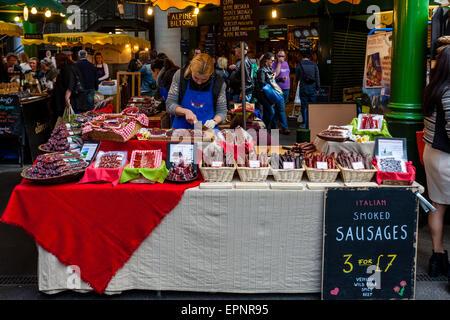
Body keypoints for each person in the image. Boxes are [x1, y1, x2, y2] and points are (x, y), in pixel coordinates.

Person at [422, 45, 450, 288]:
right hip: (446, 158)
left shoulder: (432, 89)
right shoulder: (449, 91)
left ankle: (437, 256)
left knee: (437, 206)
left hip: (431, 154)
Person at [166, 53, 227, 130]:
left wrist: (214, 121)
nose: (199, 82)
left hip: (206, 130)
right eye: (196, 78)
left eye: (204, 79)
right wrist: (185, 112)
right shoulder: (180, 76)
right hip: (181, 130)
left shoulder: (218, 83)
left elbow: (222, 112)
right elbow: (169, 104)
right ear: (191, 69)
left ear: (211, 74)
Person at [52, 53, 87, 119]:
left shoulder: (68, 68)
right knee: (74, 119)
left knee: (73, 120)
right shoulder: (71, 66)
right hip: (76, 99)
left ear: (59, 60)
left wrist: (67, 98)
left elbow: (70, 83)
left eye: (56, 60)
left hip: (73, 100)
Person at [295, 51, 320, 129]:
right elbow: (317, 77)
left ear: (302, 57)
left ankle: (305, 124)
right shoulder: (314, 65)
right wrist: (318, 88)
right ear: (310, 58)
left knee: (304, 106)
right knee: (312, 106)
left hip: (303, 88)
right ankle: (313, 123)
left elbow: (297, 77)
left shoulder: (299, 65)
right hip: (312, 89)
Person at [256, 52, 278, 130]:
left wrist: (279, 79)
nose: (273, 62)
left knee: (267, 112)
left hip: (268, 95)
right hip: (263, 95)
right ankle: (264, 129)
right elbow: (262, 83)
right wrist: (271, 79)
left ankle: (265, 130)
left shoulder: (270, 69)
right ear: (266, 60)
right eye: (272, 60)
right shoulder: (262, 70)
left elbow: (271, 80)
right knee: (271, 112)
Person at [272, 49, 290, 135]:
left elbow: (287, 74)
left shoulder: (286, 64)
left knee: (278, 108)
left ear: (285, 57)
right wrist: (279, 63)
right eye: (279, 56)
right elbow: (275, 74)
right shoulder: (274, 64)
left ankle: (274, 124)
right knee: (282, 109)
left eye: (282, 56)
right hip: (278, 89)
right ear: (276, 56)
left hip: (287, 89)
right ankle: (285, 127)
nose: (281, 58)